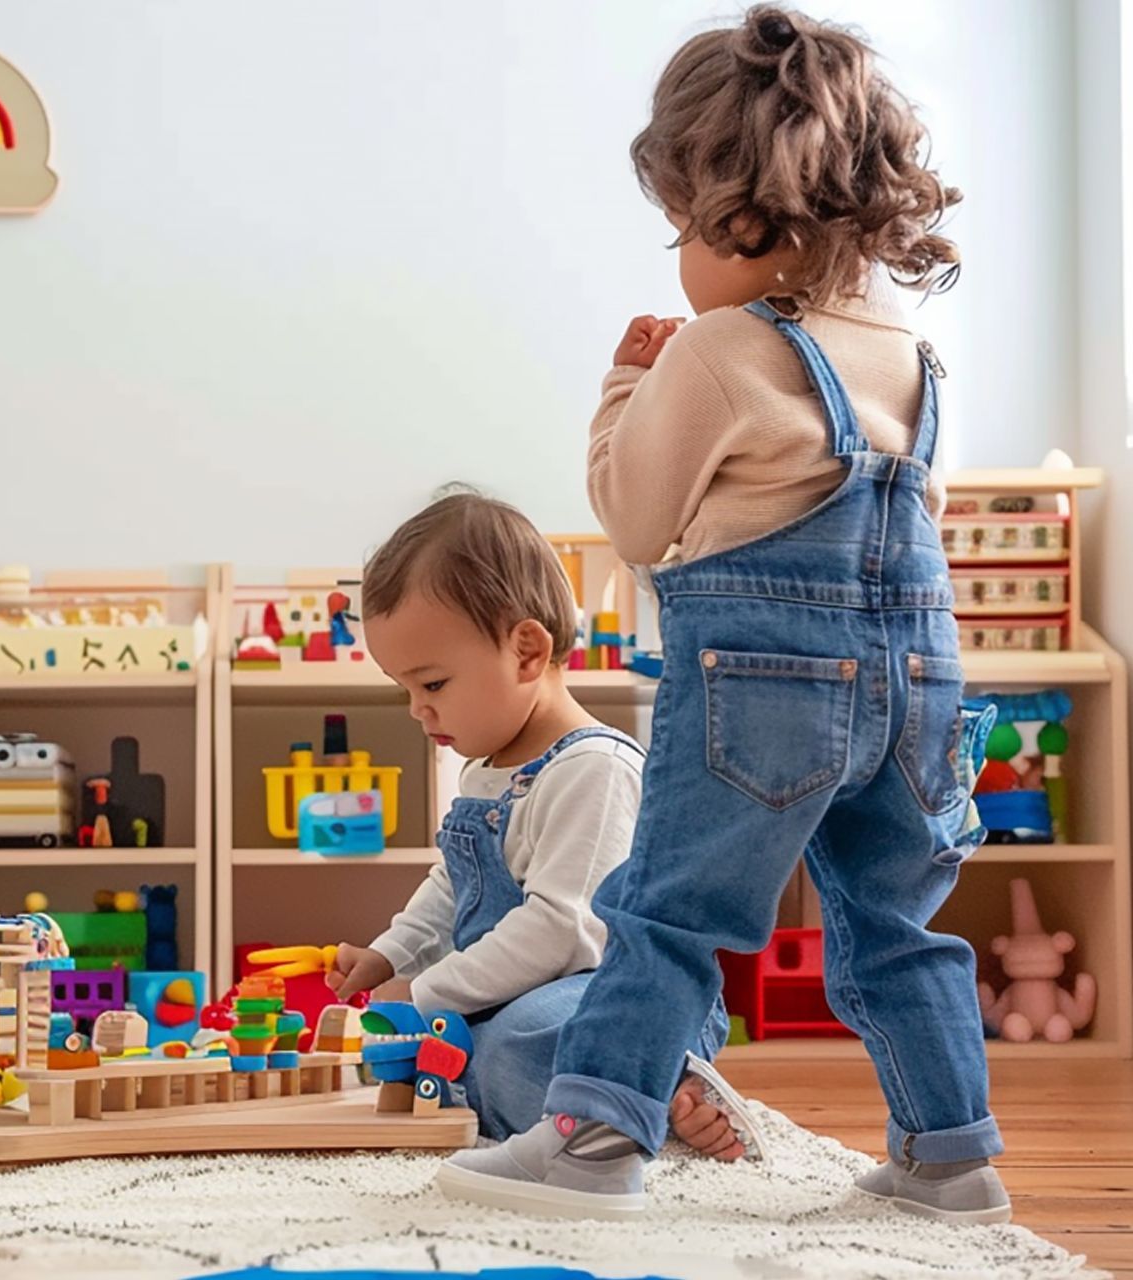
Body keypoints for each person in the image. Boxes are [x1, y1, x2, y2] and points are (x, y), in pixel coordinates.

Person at [438, 7, 1007, 1224]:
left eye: (684, 231)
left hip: (765, 687)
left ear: (745, 216)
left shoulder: (717, 349)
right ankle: (950, 1153)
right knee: (895, 921)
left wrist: (623, 390)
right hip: (919, 688)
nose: (683, 260)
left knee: (668, 908)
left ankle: (593, 1139)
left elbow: (636, 521)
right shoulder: (914, 355)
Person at [334, 493, 753, 1160]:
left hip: (612, 997)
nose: (417, 710)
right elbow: (452, 888)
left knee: (520, 1042)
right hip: (530, 991)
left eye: (434, 684)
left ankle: (660, 1094)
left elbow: (562, 932)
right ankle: (578, 1116)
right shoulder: (487, 773)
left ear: (527, 652)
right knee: (455, 1048)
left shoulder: (594, 769)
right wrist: (391, 955)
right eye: (405, 690)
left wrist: (423, 989)